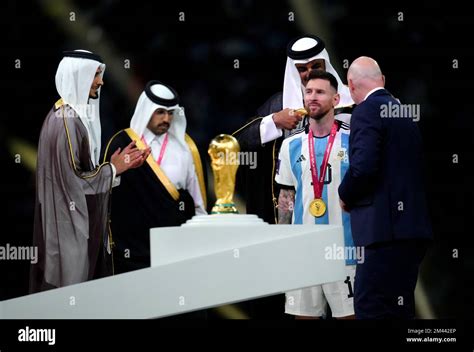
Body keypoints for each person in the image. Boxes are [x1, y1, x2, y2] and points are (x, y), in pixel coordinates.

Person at [232, 34, 353, 318]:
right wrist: (273, 122)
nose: (309, 74)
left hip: (344, 224)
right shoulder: (279, 105)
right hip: (296, 223)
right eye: (302, 69)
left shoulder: (352, 104)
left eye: (315, 65)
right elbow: (232, 144)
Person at [30, 50, 148, 293]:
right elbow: (74, 184)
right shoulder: (67, 123)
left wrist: (112, 169)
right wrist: (114, 168)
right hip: (68, 236)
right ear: (78, 75)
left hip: (67, 231)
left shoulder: (65, 115)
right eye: (95, 75)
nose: (100, 81)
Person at [338, 57, 433, 319]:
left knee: (371, 309)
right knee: (399, 310)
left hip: (382, 233)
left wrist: (345, 194)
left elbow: (363, 168)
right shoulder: (401, 111)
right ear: (383, 80)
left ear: (351, 85)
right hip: (411, 232)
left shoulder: (366, 110)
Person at [275, 70, 356, 319]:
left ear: (335, 99)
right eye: (308, 92)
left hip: (347, 250)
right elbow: (286, 197)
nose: (312, 97)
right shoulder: (291, 145)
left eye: (320, 92)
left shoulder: (352, 140)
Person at [104, 80, 207, 273]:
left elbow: (198, 205)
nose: (166, 119)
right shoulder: (122, 143)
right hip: (128, 253)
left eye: (170, 113)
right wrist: (115, 171)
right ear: (146, 110)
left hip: (172, 252)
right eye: (160, 112)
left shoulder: (187, 149)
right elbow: (103, 195)